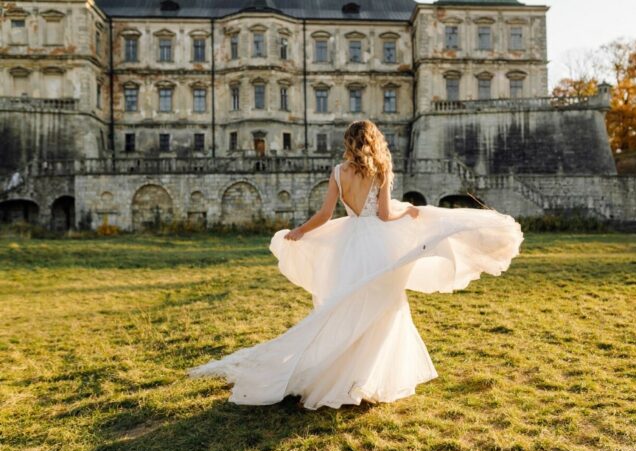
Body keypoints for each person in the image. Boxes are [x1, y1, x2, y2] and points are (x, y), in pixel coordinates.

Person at [187, 120, 523, 410]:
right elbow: (386, 215)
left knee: (347, 306)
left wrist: (299, 232)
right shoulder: (381, 170)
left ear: (349, 143)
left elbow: (324, 215)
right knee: (383, 309)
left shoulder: (338, 172)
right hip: (377, 243)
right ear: (374, 141)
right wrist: (409, 211)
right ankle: (366, 381)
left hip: (349, 244)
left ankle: (348, 378)